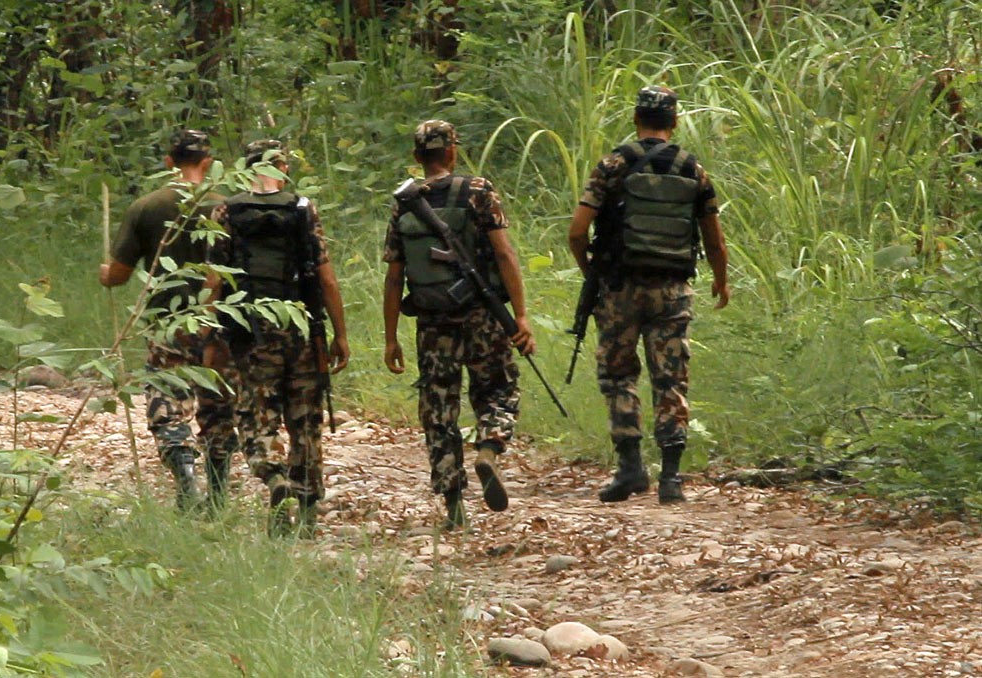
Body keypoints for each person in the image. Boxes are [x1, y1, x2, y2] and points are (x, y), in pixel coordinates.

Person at [567, 86, 730, 504]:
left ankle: (630, 469)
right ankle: (671, 479)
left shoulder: (613, 165)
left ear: (636, 119)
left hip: (619, 288)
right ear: (673, 122)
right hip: (672, 289)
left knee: (619, 375)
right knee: (671, 377)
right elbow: (714, 240)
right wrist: (721, 279)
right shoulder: (692, 169)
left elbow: (577, 231)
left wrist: (594, 273)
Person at [382, 120, 536, 530]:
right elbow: (504, 254)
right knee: (498, 390)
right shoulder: (478, 191)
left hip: (433, 324)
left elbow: (395, 275)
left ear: (418, 157)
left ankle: (454, 504)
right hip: (482, 316)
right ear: (452, 151)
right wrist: (520, 315)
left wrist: (390, 337)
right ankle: (488, 448)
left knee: (439, 409)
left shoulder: (406, 201)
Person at [203, 139, 349, 537]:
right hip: (302, 327)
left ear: (248, 167)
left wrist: (210, 334)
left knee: (255, 412)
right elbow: (326, 277)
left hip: (251, 331)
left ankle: (273, 477)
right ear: (282, 165)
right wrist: (340, 334)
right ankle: (306, 512)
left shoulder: (227, 210)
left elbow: (215, 279)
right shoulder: (303, 210)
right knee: (305, 419)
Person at [99, 129, 238, 511]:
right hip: (220, 321)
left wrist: (105, 274)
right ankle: (219, 490)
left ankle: (186, 479)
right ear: (207, 164)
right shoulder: (228, 206)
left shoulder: (146, 207)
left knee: (168, 402)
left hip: (168, 322)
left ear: (168, 162)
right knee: (218, 403)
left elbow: (121, 274)